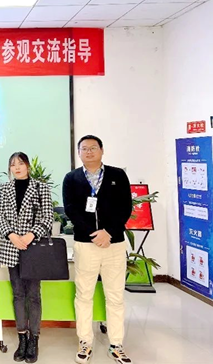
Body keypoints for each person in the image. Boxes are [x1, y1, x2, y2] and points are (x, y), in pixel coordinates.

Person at [63, 135, 133, 364]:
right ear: (79, 153)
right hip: (86, 244)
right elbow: (71, 209)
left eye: (93, 148)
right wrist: (94, 234)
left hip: (114, 243)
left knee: (115, 295)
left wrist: (108, 232)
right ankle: (85, 342)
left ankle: (116, 344)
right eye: (84, 149)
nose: (89, 152)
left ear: (102, 150)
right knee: (84, 294)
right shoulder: (71, 178)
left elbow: (126, 207)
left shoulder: (117, 175)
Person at [0, 152, 53, 364]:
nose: (17, 167)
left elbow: (48, 217)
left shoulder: (40, 188)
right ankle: (22, 339)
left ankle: (34, 339)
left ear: (27, 166)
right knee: (18, 294)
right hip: (12, 246)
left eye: (20, 163)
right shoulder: (4, 189)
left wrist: (31, 235)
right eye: (12, 164)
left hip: (33, 248)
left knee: (34, 295)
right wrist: (11, 234)